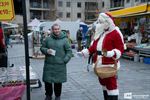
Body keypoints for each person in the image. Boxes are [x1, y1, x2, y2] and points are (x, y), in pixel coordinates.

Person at [77, 13, 124, 100]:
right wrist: (84, 52)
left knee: (111, 85)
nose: (100, 24)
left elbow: (120, 48)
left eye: (101, 22)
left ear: (108, 22)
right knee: (103, 83)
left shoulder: (116, 32)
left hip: (109, 64)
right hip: (98, 63)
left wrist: (112, 53)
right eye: (99, 22)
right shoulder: (100, 32)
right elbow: (93, 47)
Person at [40, 23, 72, 100]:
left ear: (60, 29)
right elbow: (42, 48)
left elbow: (69, 51)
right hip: (49, 64)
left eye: (58, 29)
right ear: (52, 30)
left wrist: (65, 60)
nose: (56, 30)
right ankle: (48, 95)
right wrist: (47, 50)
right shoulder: (48, 39)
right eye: (55, 29)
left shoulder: (65, 40)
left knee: (58, 82)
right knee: (48, 81)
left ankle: (57, 96)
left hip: (60, 65)